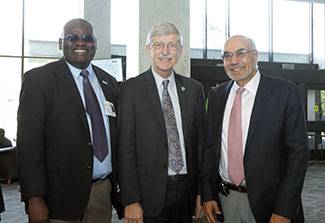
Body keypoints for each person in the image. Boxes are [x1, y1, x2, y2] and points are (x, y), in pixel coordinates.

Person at [17, 18, 121, 223]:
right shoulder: (39, 80)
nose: (80, 42)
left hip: (101, 193)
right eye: (72, 37)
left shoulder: (108, 82)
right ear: (60, 43)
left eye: (87, 38)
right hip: (57, 197)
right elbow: (29, 145)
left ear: (95, 43)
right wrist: (34, 198)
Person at [201, 35, 309, 223]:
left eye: (241, 53)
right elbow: (210, 149)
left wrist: (284, 209)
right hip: (225, 200)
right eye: (227, 55)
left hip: (271, 204)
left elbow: (298, 155)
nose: (234, 61)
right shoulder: (217, 95)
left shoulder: (285, 92)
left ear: (255, 56)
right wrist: (208, 195)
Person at [117, 22, 206, 223]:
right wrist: (131, 200)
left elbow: (200, 146)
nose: (165, 52)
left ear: (180, 50)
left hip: (187, 193)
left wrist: (201, 193)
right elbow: (125, 148)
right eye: (159, 45)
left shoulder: (194, 90)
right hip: (148, 196)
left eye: (172, 45)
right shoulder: (131, 89)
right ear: (149, 49)